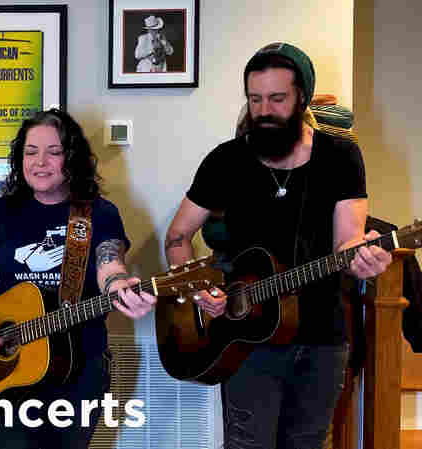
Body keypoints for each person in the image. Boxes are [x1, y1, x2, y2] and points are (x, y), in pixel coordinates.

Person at [164, 42, 392, 449]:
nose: (264, 111)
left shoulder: (341, 158)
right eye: (255, 99)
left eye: (277, 99)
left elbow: (348, 241)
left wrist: (365, 259)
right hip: (247, 339)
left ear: (301, 97)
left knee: (308, 442)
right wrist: (197, 288)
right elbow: (178, 238)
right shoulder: (226, 161)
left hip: (323, 335)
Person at [0, 108, 156, 448]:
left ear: (71, 158)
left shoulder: (98, 213)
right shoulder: (2, 212)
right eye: (31, 152)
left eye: (53, 152)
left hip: (77, 366)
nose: (40, 162)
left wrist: (119, 287)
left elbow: (109, 265)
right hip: (9, 370)